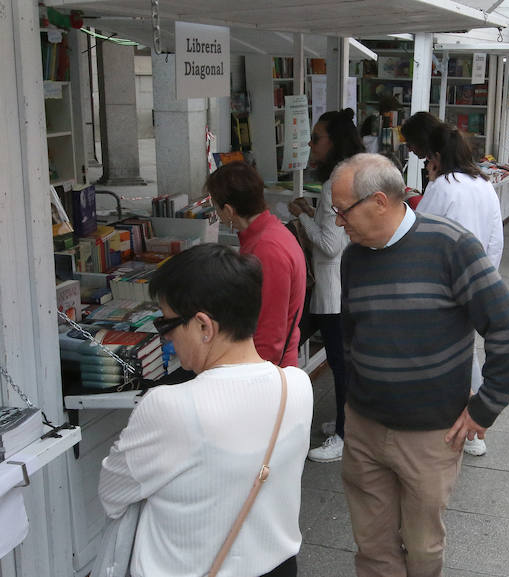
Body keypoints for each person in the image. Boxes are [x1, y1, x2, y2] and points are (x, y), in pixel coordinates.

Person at [333, 153, 509, 577]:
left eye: (341, 211)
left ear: (379, 201)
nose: (337, 223)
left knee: (422, 549)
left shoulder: (451, 246)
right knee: (372, 546)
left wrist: (485, 406)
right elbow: (351, 336)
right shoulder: (354, 258)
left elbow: (508, 331)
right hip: (364, 427)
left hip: (430, 436)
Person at [99, 243, 314, 577]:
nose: (166, 338)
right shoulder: (297, 387)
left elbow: (112, 494)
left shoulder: (169, 406)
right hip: (279, 567)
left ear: (204, 326)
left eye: (167, 324)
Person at [420, 125, 505, 455]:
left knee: (457, 352)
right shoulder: (483, 184)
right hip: (478, 276)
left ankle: (470, 427)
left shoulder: (442, 186)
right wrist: (488, 275)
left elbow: (420, 228)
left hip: (443, 281)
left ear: (437, 158)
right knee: (466, 348)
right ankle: (475, 426)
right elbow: (496, 236)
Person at [293, 109, 365, 463]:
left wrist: (303, 216)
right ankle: (344, 422)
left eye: (317, 137)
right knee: (339, 359)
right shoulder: (346, 175)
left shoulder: (334, 182)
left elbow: (330, 243)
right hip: (337, 286)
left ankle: (344, 434)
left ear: (333, 142)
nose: (310, 143)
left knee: (340, 362)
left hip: (335, 288)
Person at [207, 162, 306, 367]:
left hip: (268, 372)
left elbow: (269, 335)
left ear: (228, 210)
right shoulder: (267, 234)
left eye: (216, 208)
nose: (217, 214)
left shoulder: (266, 249)